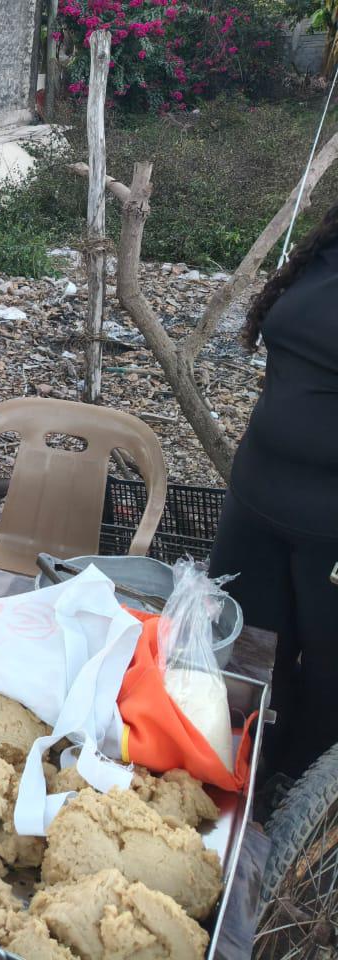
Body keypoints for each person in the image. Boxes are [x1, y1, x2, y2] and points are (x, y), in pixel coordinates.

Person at [209, 204, 338, 780]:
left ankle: (299, 818)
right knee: (244, 655)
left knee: (328, 679)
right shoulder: (327, 249)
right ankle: (238, 782)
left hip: (329, 525)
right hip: (256, 498)